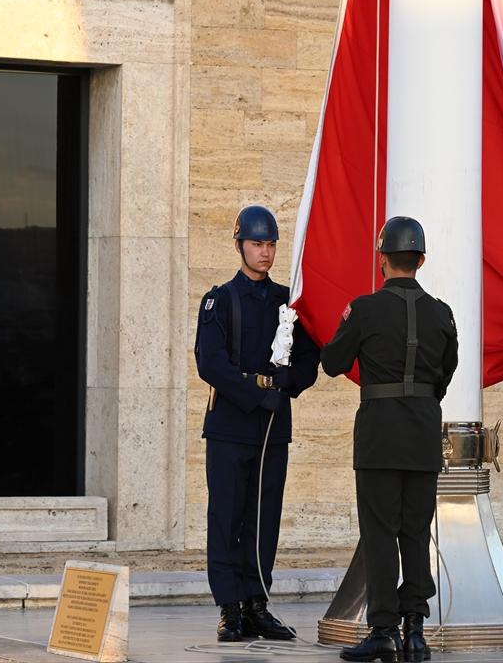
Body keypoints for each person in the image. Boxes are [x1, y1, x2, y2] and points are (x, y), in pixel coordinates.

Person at [320, 216, 458, 663]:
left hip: (379, 435)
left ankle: (383, 630)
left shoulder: (363, 310)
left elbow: (333, 362)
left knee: (380, 533)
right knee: (415, 532)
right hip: (422, 434)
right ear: (421, 260)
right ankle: (415, 630)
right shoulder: (442, 313)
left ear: (382, 259)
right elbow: (445, 374)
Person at [194, 205, 320, 643]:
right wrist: (257, 395)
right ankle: (230, 607)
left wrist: (287, 383)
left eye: (270, 244)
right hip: (231, 423)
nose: (265, 252)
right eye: (256, 243)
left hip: (272, 426)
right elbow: (211, 363)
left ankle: (257, 602)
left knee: (264, 517)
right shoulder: (220, 299)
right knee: (227, 516)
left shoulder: (288, 301)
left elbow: (309, 359)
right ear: (239, 245)